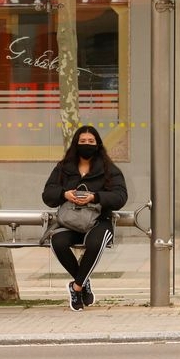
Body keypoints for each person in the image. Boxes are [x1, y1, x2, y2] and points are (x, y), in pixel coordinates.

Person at [41, 125, 127, 311]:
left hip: (98, 221)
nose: (86, 145)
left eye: (90, 141)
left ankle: (76, 286)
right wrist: (65, 194)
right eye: (82, 142)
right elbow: (48, 193)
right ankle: (83, 281)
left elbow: (121, 197)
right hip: (70, 221)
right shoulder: (63, 168)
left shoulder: (109, 169)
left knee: (97, 243)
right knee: (58, 241)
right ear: (75, 144)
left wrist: (95, 197)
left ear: (97, 144)